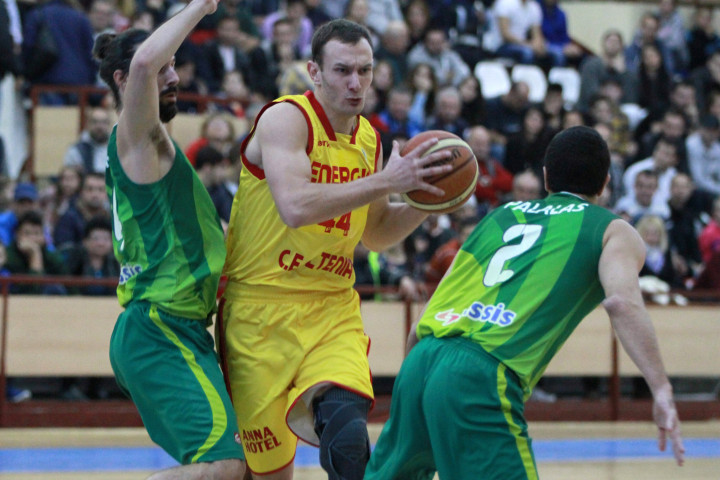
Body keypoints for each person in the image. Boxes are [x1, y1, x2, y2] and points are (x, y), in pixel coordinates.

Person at [365, 125, 685, 479]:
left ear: (546, 178)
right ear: (605, 183)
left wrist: (420, 385)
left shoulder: (499, 216)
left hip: (422, 359)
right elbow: (622, 303)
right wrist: (661, 389)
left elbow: (429, 312)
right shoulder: (612, 229)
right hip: (481, 372)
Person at [220, 18, 453, 480]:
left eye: (364, 71)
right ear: (315, 72)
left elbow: (376, 234)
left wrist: (428, 200)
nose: (356, 83)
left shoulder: (369, 140)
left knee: (348, 444)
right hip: (258, 313)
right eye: (343, 70)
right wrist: (386, 181)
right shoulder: (285, 119)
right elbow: (295, 207)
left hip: (331, 308)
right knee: (269, 475)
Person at [93, 0, 246, 477]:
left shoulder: (155, 147)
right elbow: (144, 61)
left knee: (238, 468)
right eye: (165, 68)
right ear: (123, 80)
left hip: (178, 326)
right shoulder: (137, 136)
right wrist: (202, 5)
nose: (174, 77)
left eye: (175, 65)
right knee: (224, 466)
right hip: (161, 325)